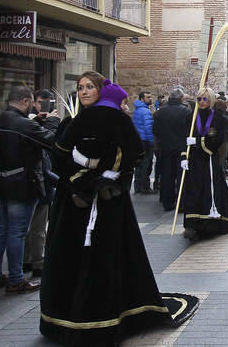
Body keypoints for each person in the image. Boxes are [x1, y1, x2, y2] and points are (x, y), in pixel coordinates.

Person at [41, 74, 198, 344]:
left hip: (109, 201)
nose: (84, 91)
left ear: (101, 90)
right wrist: (81, 180)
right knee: (69, 256)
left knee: (105, 255)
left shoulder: (118, 120)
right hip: (74, 202)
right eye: (80, 88)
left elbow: (133, 155)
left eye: (90, 87)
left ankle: (108, 315)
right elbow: (59, 156)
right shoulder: (72, 121)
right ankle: (65, 317)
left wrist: (108, 178)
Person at [0, 85, 58, 294]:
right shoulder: (24, 124)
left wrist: (37, 121)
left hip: (0, 181)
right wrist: (52, 121)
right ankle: (16, 279)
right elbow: (51, 140)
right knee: (17, 232)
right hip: (22, 184)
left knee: (2, 230)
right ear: (26, 101)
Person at [180, 87, 228, 240]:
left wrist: (197, 141)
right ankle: (192, 224)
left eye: (205, 99)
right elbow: (183, 137)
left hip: (209, 159)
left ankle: (211, 221)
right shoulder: (190, 117)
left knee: (210, 188)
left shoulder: (217, 118)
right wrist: (184, 156)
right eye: (199, 99)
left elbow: (216, 140)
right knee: (193, 190)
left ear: (210, 100)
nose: (202, 102)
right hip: (194, 160)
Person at [23, 90, 60, 279]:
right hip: (39, 180)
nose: (44, 107)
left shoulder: (30, 123)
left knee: (33, 226)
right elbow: (50, 143)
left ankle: (28, 259)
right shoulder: (29, 124)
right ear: (32, 103)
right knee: (36, 227)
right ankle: (36, 262)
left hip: (42, 179)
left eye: (47, 103)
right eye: (40, 102)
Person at [153, 88, 190, 211]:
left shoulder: (160, 112)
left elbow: (156, 131)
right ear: (180, 98)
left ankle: (167, 201)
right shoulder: (185, 111)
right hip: (181, 148)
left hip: (165, 147)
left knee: (167, 176)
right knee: (181, 176)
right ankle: (182, 203)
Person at [132, 91, 156, 194]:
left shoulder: (137, 110)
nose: (150, 99)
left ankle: (138, 186)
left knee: (139, 164)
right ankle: (145, 187)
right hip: (145, 141)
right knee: (146, 164)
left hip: (138, 140)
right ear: (142, 99)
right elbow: (148, 128)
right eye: (148, 97)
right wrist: (152, 142)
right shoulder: (145, 112)